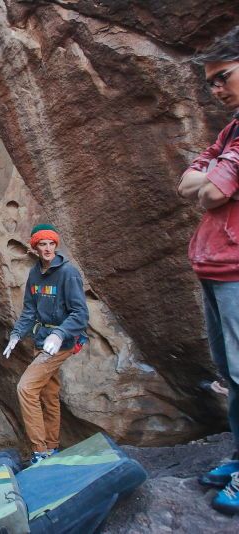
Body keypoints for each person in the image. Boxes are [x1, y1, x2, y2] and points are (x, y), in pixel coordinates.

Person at [177, 25, 239, 515]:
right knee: (231, 373)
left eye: (224, 77)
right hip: (216, 267)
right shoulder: (230, 129)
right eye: (211, 82)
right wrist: (212, 174)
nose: (216, 89)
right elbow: (188, 183)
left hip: (237, 269)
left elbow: (213, 192)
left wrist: (214, 177)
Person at [2, 224, 89, 465]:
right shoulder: (35, 274)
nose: (48, 248)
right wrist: (17, 335)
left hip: (61, 343)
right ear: (35, 248)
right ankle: (52, 447)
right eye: (43, 244)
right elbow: (29, 310)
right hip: (41, 341)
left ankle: (39, 451)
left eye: (52, 243)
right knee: (49, 394)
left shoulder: (68, 273)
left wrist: (60, 334)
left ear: (56, 245)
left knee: (26, 389)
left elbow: (80, 314)